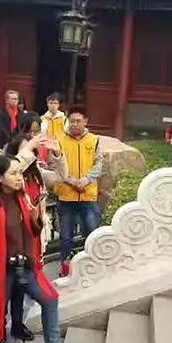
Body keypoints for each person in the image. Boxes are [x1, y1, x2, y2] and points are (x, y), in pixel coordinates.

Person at [0, 155, 81, 343]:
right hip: (2, 269)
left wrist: (35, 216)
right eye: (13, 173)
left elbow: (34, 231)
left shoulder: (22, 199)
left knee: (50, 299)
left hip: (26, 266)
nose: (19, 178)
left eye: (20, 173)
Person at [54, 106, 102, 276]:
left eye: (78, 121)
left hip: (88, 195)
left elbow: (98, 164)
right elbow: (56, 165)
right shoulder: (59, 140)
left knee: (92, 231)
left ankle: (92, 265)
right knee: (65, 236)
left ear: (85, 121)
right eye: (72, 121)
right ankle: (65, 268)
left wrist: (86, 179)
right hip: (66, 195)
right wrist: (73, 181)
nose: (75, 124)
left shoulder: (94, 140)